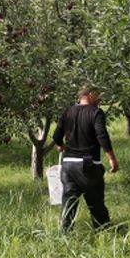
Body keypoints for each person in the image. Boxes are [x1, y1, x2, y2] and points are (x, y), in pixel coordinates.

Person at [52, 87, 120, 234]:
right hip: (88, 165)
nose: (100, 100)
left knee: (69, 203)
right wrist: (112, 158)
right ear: (90, 96)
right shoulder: (96, 113)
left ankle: (65, 235)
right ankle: (103, 234)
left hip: (68, 165)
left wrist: (61, 146)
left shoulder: (67, 112)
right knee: (96, 204)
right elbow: (101, 135)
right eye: (98, 96)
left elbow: (56, 135)